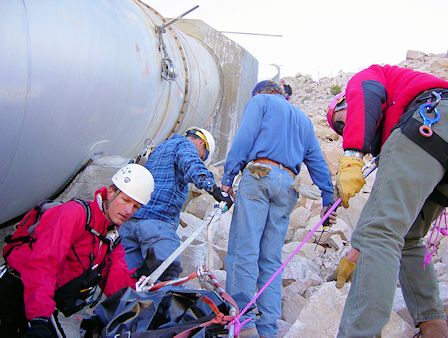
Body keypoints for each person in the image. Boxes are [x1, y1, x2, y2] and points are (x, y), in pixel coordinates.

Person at [326, 64, 448, 337]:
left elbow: (365, 95)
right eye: (339, 129)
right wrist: (358, 248)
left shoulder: (366, 79)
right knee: (408, 237)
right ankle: (434, 327)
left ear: (344, 101)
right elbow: (388, 213)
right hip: (438, 141)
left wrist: (353, 154)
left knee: (382, 234)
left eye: (341, 121)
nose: (343, 129)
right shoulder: (394, 143)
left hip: (431, 120)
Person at [221, 80, 336, 338]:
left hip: (260, 175)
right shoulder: (303, 120)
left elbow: (245, 136)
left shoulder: (260, 101)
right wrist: (328, 197)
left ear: (261, 92)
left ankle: (244, 323)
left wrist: (228, 176)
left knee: (244, 250)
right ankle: (268, 328)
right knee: (271, 259)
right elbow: (316, 160)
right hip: (288, 185)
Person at [0, 163, 155, 338]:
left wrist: (147, 293)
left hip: (42, 299)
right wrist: (39, 318)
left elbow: (114, 279)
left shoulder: (112, 236)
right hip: (18, 289)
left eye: (136, 207)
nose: (128, 211)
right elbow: (42, 265)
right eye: (126, 200)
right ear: (111, 192)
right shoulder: (74, 214)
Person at [119, 127, 233, 281]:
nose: (198, 158)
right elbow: (192, 164)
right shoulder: (185, 145)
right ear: (200, 142)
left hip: (131, 223)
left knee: (126, 281)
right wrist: (215, 190)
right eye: (201, 156)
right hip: (157, 225)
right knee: (165, 280)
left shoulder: (159, 149)